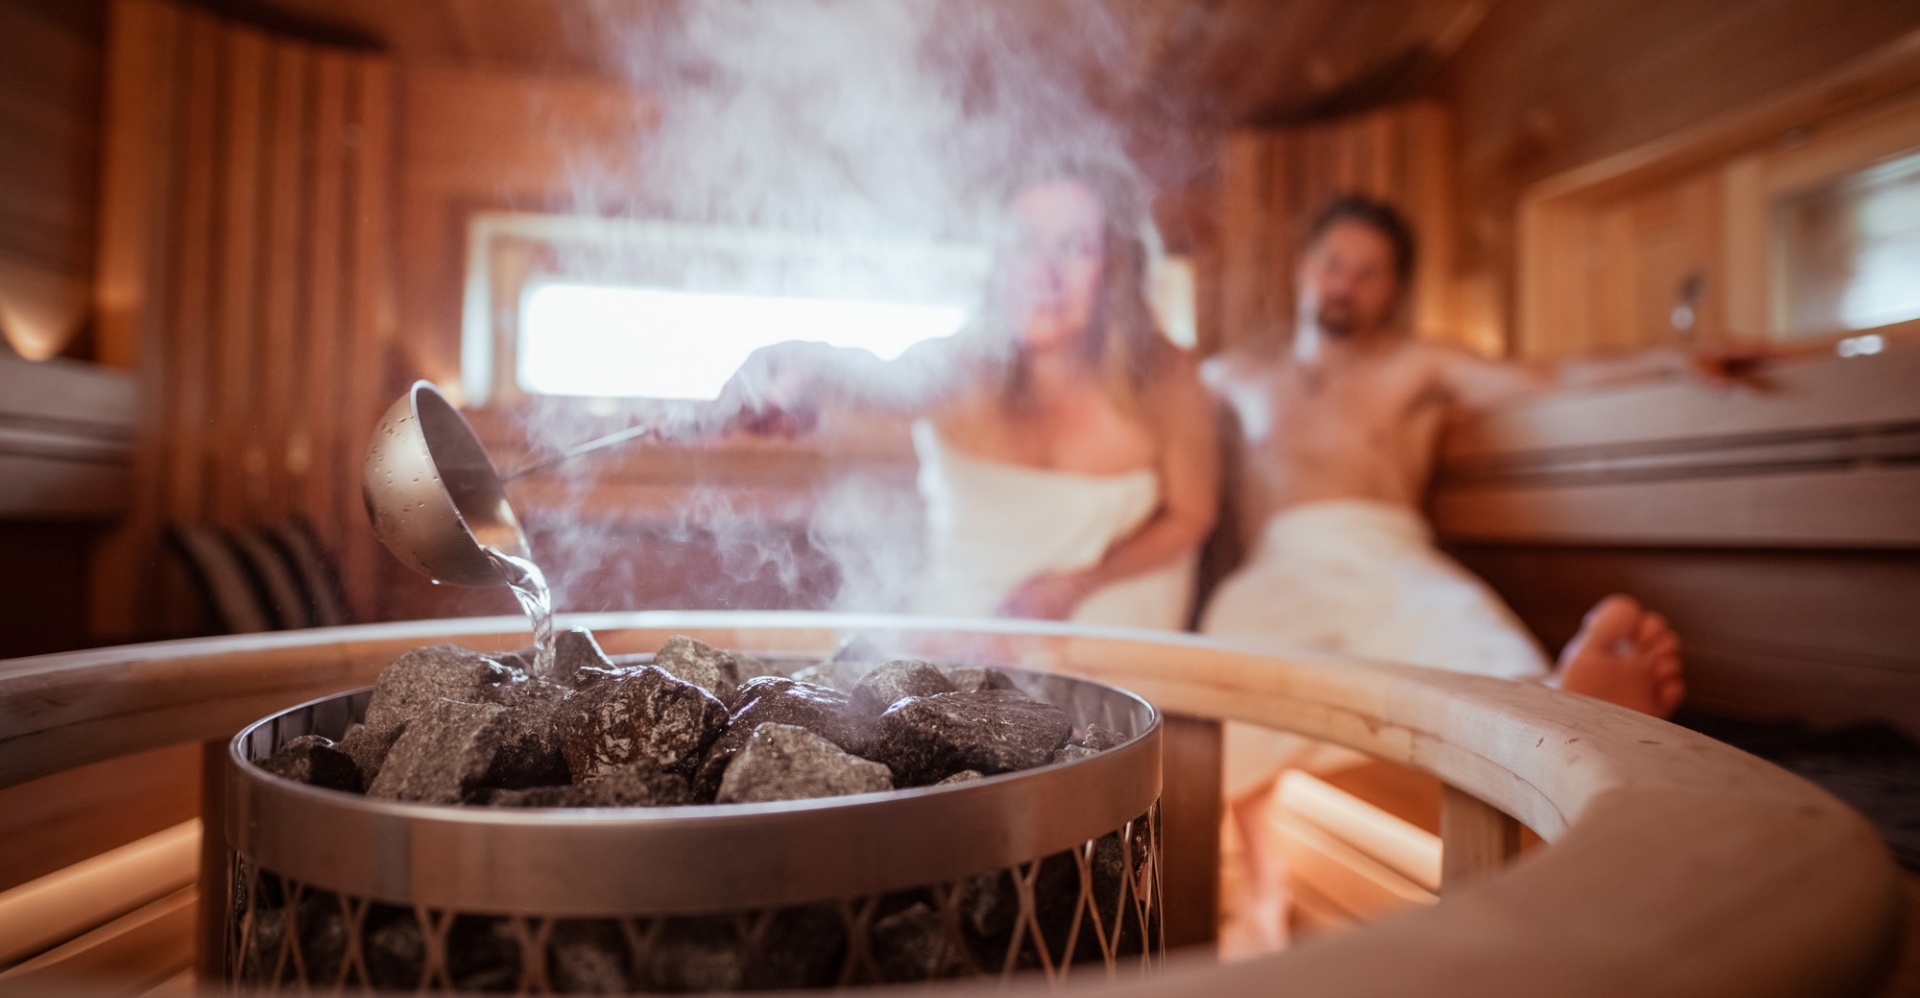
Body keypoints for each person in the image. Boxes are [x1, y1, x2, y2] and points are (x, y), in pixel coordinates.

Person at [1201, 194, 1758, 949]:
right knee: (1232, 664)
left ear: (1391, 290)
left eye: (1369, 274)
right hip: (1282, 565)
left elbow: (1546, 376)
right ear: (1306, 268)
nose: (1346, 284)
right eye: (1334, 264)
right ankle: (1264, 889)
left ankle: (1566, 713)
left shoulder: (1415, 363)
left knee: (1477, 645)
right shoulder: (1236, 374)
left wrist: (1667, 358)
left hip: (1389, 550)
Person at [722, 165, 1218, 628]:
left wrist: (1076, 585)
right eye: (1023, 245)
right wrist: (798, 365)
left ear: (1118, 269)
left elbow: (1192, 513)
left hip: (1117, 636)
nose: (1042, 275)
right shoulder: (963, 368)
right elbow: (868, 378)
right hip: (965, 630)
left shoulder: (1164, 379)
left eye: (1076, 248)